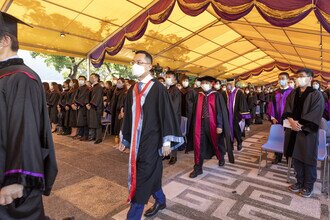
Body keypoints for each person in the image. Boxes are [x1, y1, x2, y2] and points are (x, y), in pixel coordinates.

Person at [0, 12, 57, 219]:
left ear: (4, 41)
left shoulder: (20, 77)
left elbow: (26, 130)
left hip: (10, 175)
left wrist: (17, 179)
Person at [120, 50, 183, 219]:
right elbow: (129, 115)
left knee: (142, 178)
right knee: (152, 175)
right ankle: (161, 201)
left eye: (139, 62)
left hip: (152, 141)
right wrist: (125, 139)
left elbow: (167, 115)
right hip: (136, 141)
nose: (135, 65)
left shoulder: (158, 88)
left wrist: (167, 142)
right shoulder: (132, 89)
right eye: (133, 62)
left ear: (148, 66)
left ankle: (133, 216)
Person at [283, 68, 324, 198]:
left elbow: (315, 113)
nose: (299, 78)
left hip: (307, 132)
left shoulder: (316, 95)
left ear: (310, 78)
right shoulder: (293, 93)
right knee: (296, 158)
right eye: (298, 76)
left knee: (307, 158)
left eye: (302, 76)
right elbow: (287, 109)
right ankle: (299, 182)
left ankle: (308, 185)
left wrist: (299, 125)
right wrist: (291, 122)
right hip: (293, 130)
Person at [189, 76, 231, 178]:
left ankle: (221, 158)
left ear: (211, 84)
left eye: (206, 82)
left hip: (213, 124)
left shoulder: (217, 95)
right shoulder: (199, 95)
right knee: (199, 145)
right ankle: (198, 168)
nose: (203, 84)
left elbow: (220, 112)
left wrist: (220, 125)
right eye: (202, 82)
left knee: (217, 142)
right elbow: (194, 111)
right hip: (200, 124)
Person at [266, 72, 293, 164]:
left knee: (289, 138)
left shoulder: (293, 92)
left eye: (283, 78)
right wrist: (272, 117)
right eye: (279, 78)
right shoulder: (275, 92)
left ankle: (289, 158)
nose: (281, 80)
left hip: (289, 119)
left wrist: (292, 119)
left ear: (288, 80)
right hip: (277, 118)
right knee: (278, 137)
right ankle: (278, 157)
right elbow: (271, 105)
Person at [223, 79, 250, 152]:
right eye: (227, 83)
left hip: (236, 116)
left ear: (233, 83)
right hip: (227, 116)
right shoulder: (224, 93)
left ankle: (239, 142)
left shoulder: (239, 93)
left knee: (237, 130)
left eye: (230, 83)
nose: (229, 85)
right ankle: (230, 145)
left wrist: (243, 116)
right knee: (228, 131)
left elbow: (242, 103)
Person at [164, 71, 182, 165]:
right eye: (166, 76)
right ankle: (166, 153)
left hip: (173, 118)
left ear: (175, 80)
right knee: (166, 135)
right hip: (165, 117)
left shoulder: (176, 91)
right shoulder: (165, 89)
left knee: (173, 136)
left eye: (169, 77)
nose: (167, 78)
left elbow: (174, 107)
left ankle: (173, 156)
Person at [180, 75, 197, 153]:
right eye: (183, 81)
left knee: (189, 129)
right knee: (182, 129)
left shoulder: (192, 91)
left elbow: (195, 103)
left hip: (190, 114)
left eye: (186, 81)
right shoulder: (180, 91)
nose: (185, 82)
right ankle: (183, 144)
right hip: (181, 113)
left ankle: (190, 145)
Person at [87, 73, 104, 144]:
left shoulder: (99, 87)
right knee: (93, 122)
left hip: (97, 107)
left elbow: (97, 98)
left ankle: (98, 138)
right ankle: (93, 136)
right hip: (92, 106)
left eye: (92, 77)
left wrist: (91, 104)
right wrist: (88, 103)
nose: (91, 78)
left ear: (96, 78)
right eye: (90, 77)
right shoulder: (93, 87)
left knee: (97, 123)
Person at [75, 76, 90, 141]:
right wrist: (75, 103)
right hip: (79, 106)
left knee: (84, 121)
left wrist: (80, 104)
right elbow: (76, 97)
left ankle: (85, 135)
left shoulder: (87, 88)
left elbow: (86, 98)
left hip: (84, 106)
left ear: (85, 80)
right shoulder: (79, 88)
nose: (80, 80)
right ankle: (80, 134)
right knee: (80, 121)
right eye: (79, 79)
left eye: (82, 79)